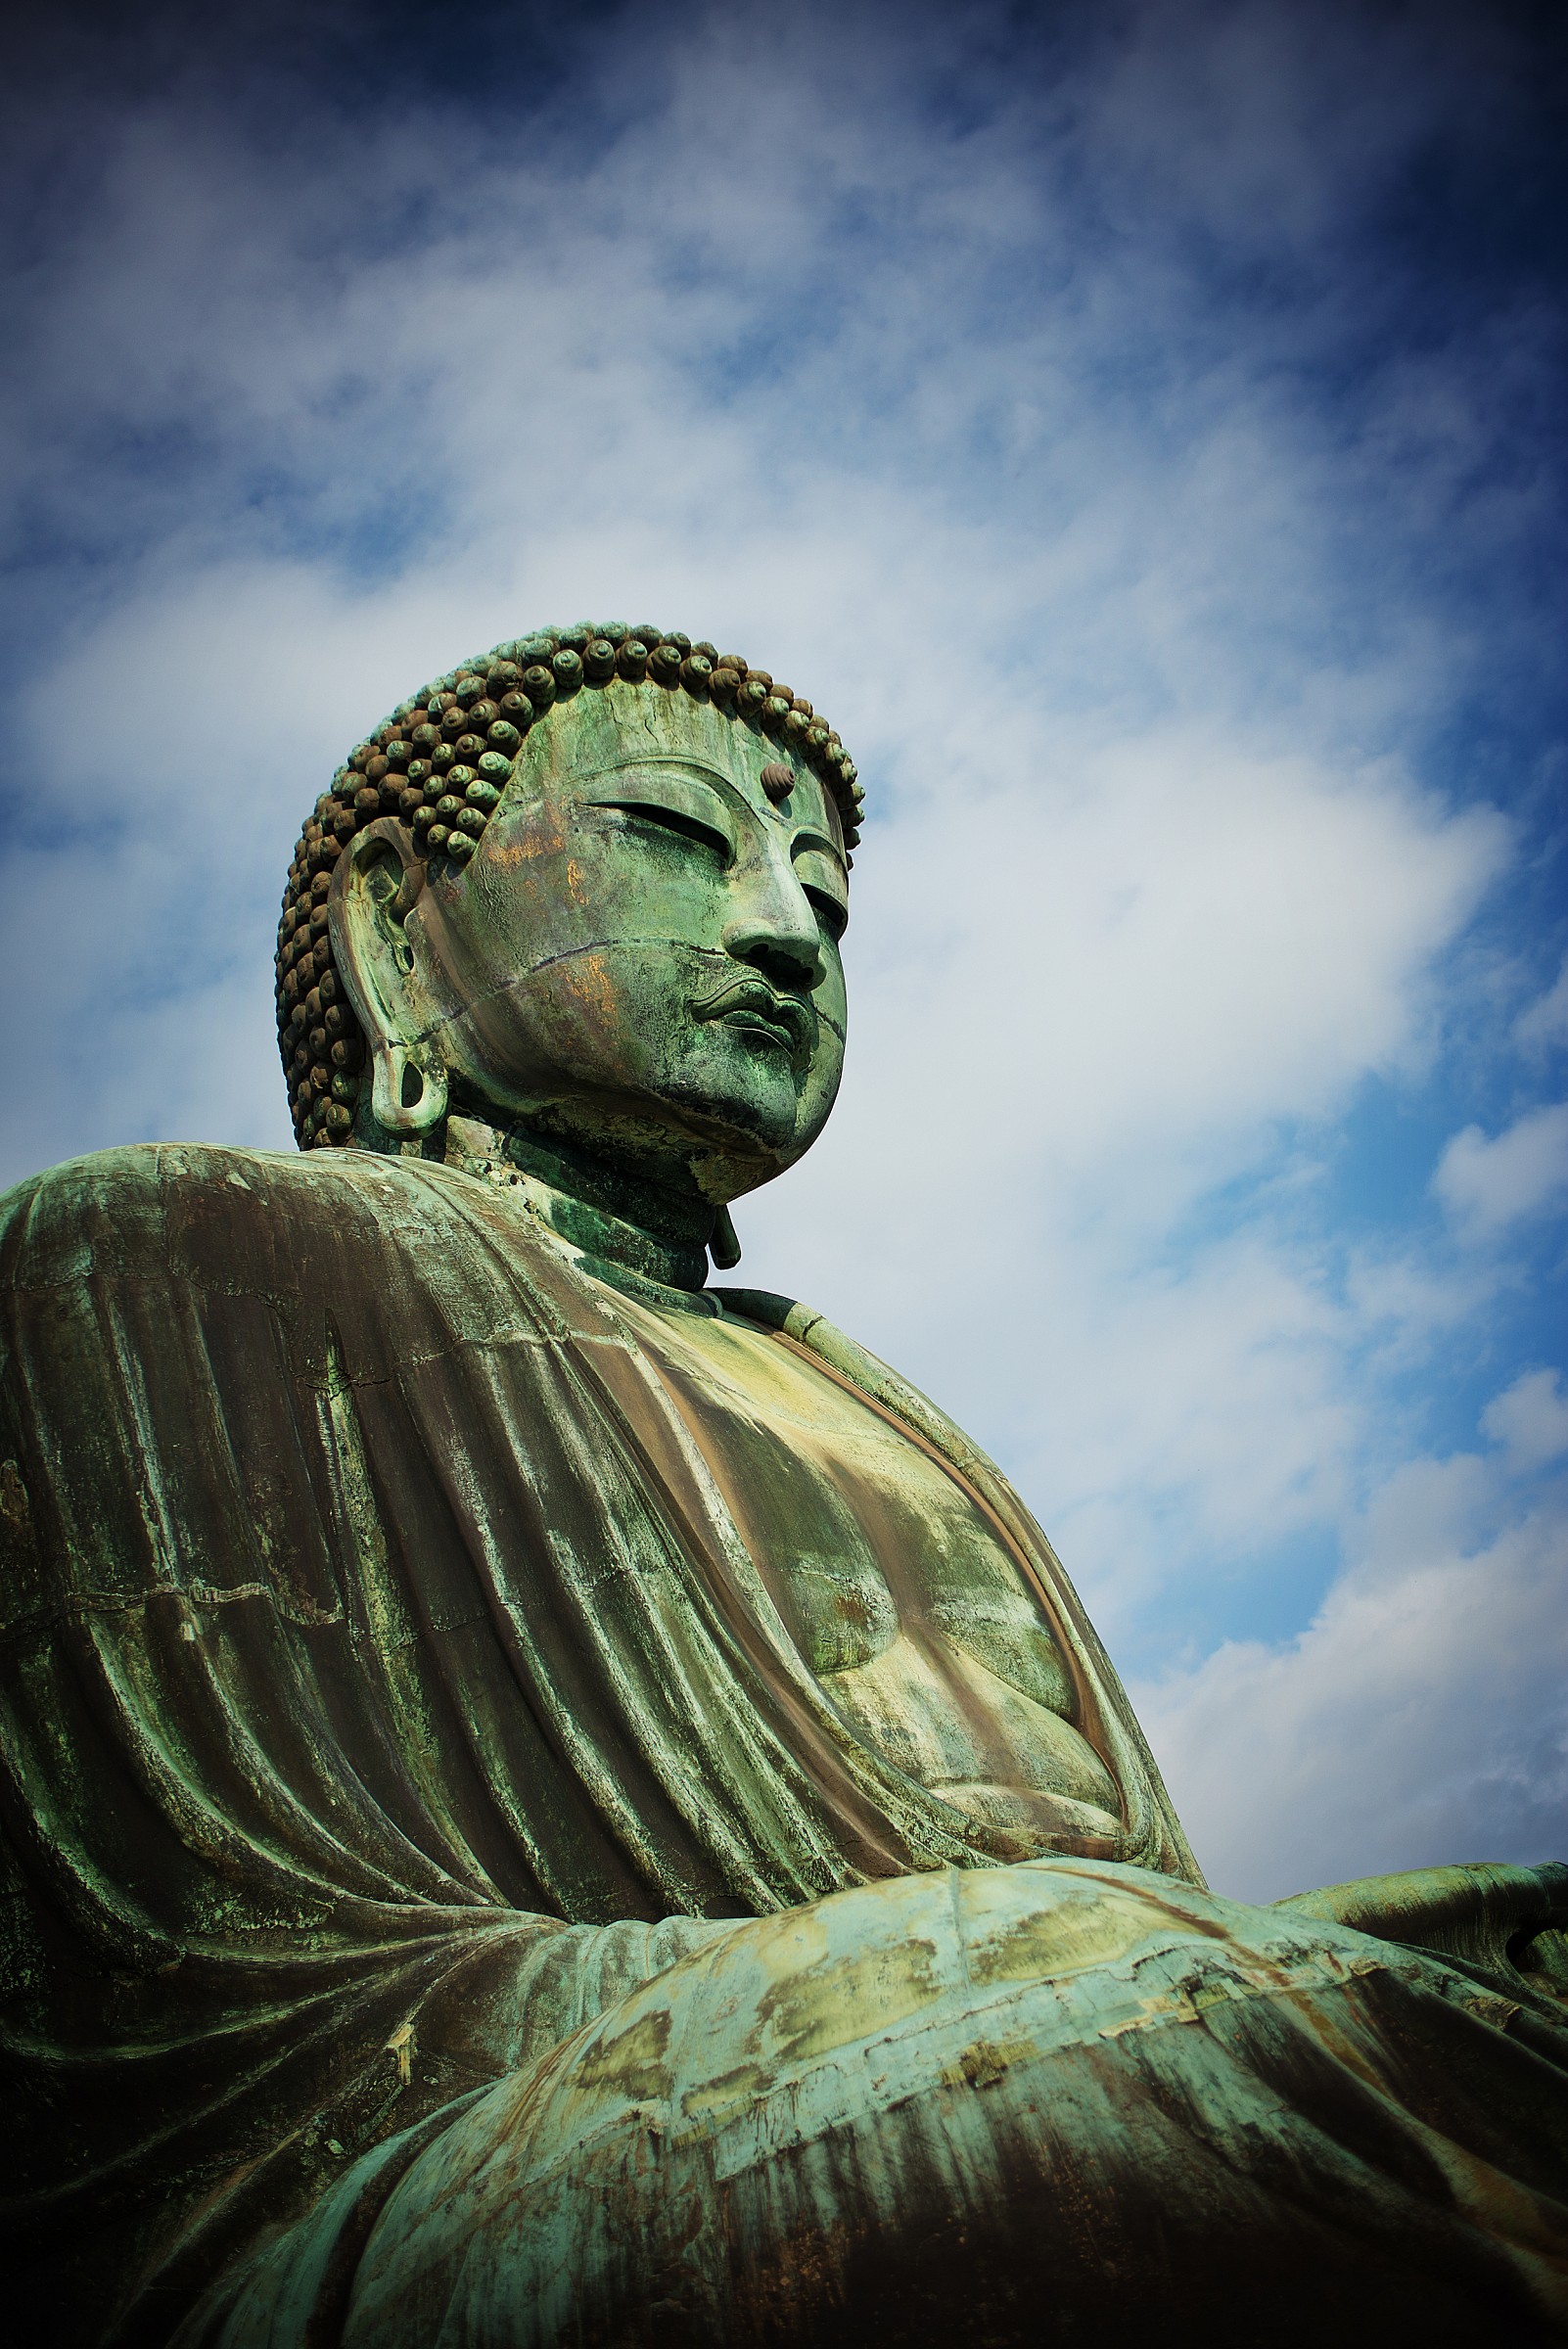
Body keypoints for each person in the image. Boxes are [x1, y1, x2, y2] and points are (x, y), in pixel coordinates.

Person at [2, 623, 1564, 2349]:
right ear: (393, 924)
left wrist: (1231, 1954)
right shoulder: (164, 1258)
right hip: (463, 2174)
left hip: (1040, 2009)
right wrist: (1023, 1959)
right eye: (677, 841)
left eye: (823, 901)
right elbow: (190, 2042)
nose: (776, 933)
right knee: (1132, 2094)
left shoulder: (849, 1376)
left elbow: (1130, 1919)